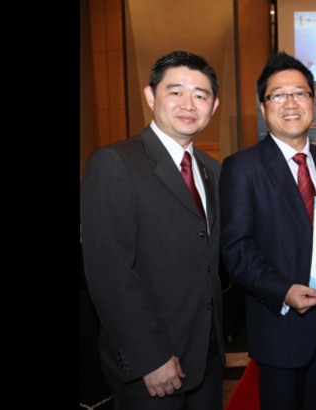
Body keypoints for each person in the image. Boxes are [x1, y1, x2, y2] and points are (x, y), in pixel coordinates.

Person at [81, 50, 224, 410]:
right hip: (153, 367)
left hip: (206, 356)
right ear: (150, 96)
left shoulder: (212, 169)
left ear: (214, 105)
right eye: (175, 91)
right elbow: (109, 273)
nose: (188, 103)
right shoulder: (115, 163)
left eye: (201, 95)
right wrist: (149, 358)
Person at [220, 51, 316, 410]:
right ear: (263, 108)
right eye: (278, 95)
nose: (290, 102)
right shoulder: (241, 167)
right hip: (279, 325)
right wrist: (284, 291)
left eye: (300, 93)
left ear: (313, 102)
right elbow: (237, 249)